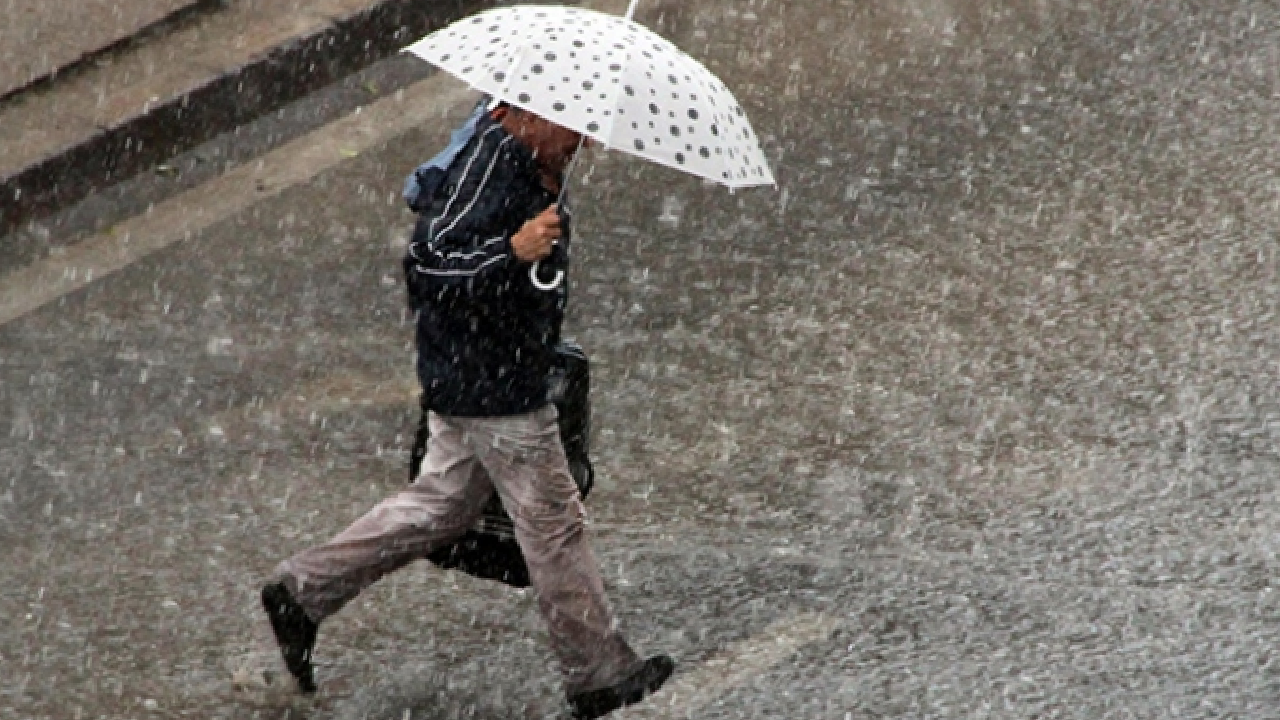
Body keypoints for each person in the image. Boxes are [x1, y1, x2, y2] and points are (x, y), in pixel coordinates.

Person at [260, 101, 674, 719]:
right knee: (553, 524)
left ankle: (302, 590)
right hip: (493, 386)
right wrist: (514, 251)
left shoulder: (521, 160)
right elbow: (429, 265)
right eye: (574, 126)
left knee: (440, 506)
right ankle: (598, 672)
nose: (584, 142)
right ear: (526, 113)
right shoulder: (489, 164)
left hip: (481, 374)